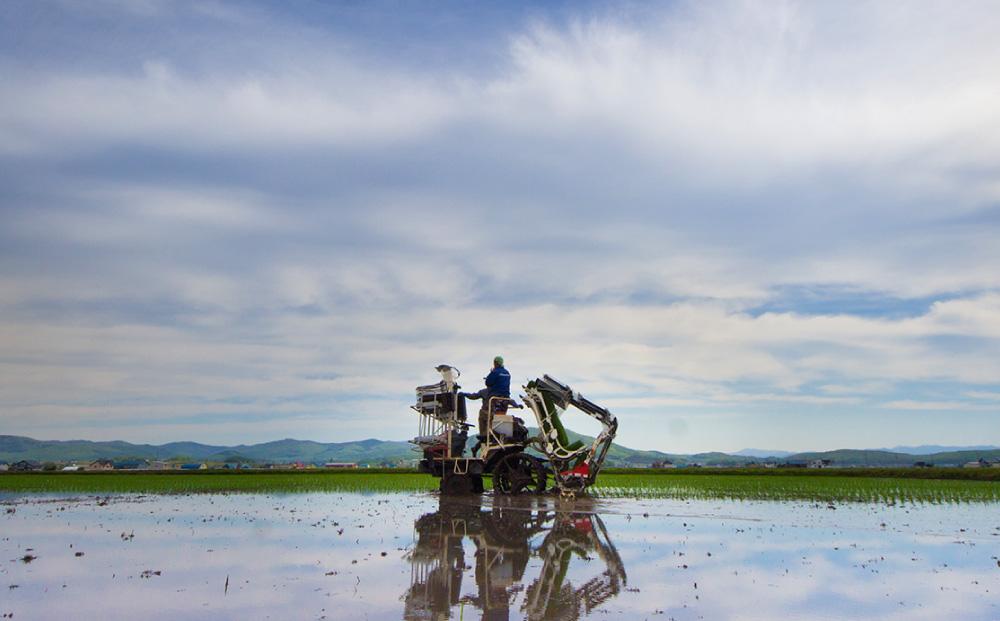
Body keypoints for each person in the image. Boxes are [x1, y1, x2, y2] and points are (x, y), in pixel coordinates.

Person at [462, 356, 511, 444]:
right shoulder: (507, 373)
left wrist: (464, 394)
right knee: (494, 416)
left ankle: (484, 435)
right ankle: (491, 434)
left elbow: (474, 395)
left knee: (482, 414)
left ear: (495, 363)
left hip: (492, 407)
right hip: (503, 403)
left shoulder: (493, 376)